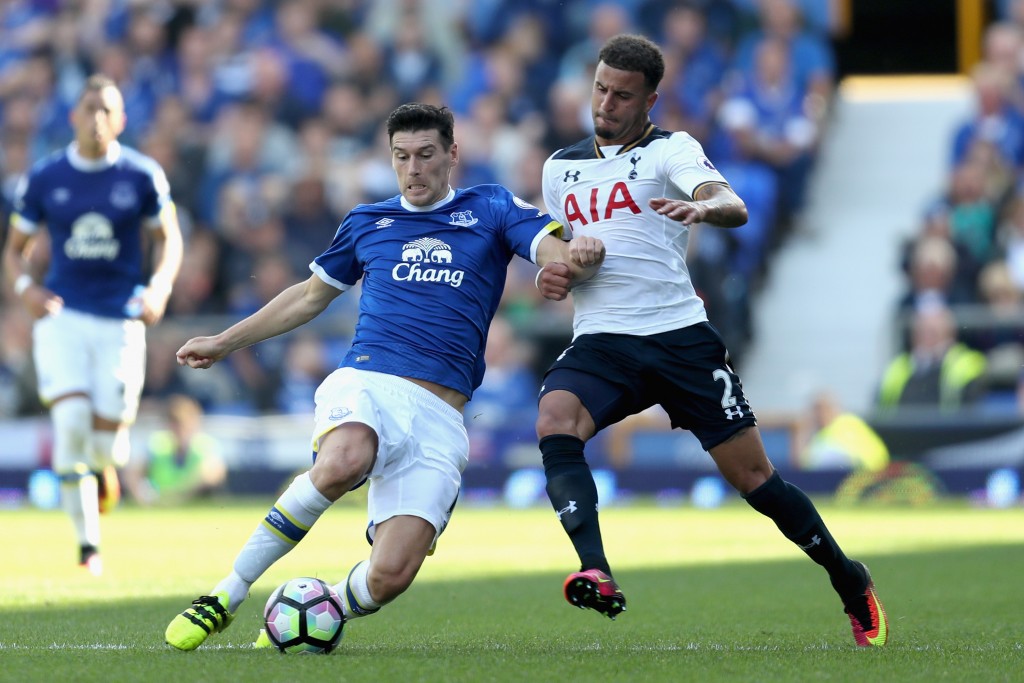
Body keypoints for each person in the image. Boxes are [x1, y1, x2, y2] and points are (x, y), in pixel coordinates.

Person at [163, 103, 605, 651]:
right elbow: (307, 298)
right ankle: (225, 594)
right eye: (401, 157)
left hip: (441, 416)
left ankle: (315, 609)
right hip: (369, 383)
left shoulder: (488, 206)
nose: (413, 169)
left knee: (390, 575)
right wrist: (225, 341)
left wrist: (574, 256)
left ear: (451, 155)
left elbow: (551, 250)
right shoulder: (367, 222)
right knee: (344, 460)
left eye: (425, 155)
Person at [532, 34, 888, 647]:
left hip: (678, 338)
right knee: (554, 418)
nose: (606, 103)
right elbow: (569, 257)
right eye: (600, 89)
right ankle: (598, 569)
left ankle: (849, 580)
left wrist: (704, 210)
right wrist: (557, 272)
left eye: (622, 95)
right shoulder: (559, 168)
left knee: (755, 480)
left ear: (650, 100)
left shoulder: (673, 149)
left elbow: (732, 203)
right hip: (604, 339)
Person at [2, 74, 183, 576]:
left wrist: (160, 286)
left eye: (107, 110)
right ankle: (88, 548)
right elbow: (13, 253)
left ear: (121, 120)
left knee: (109, 442)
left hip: (121, 320)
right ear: (73, 117)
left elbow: (168, 238)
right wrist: (25, 290)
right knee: (70, 422)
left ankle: (105, 468)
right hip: (63, 317)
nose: (97, 118)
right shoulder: (44, 178)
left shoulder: (141, 175)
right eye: (89, 109)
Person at [876, 303, 988, 412]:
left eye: (933, 332)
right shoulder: (898, 366)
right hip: (899, 428)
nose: (926, 338)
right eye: (921, 332)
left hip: (947, 429)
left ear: (951, 333)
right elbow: (880, 405)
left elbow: (972, 409)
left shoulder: (967, 364)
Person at [125, 394, 227, 505]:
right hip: (160, 506)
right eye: (174, 423)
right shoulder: (157, 445)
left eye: (183, 423)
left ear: (195, 423)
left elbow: (213, 474)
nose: (179, 429)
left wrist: (180, 496)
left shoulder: (205, 445)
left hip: (196, 504)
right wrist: (143, 498)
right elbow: (132, 475)